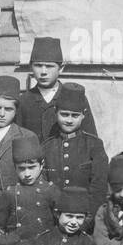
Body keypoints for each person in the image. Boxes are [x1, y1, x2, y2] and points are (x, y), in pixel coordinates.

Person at [41, 84, 108, 223]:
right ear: (56, 112)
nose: (69, 120)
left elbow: (98, 189)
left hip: (84, 221)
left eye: (75, 115)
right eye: (64, 114)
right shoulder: (47, 147)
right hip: (53, 220)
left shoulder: (94, 145)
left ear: (84, 114)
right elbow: (43, 187)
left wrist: (87, 220)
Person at [14, 36, 97, 139]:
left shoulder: (75, 97)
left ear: (61, 68)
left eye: (49, 66)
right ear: (31, 67)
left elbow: (91, 140)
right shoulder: (24, 101)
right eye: (38, 65)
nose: (43, 72)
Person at [0, 134, 58, 243]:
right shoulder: (9, 193)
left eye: (32, 168)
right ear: (15, 168)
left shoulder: (50, 190)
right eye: (22, 169)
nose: (27, 174)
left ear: (41, 165)